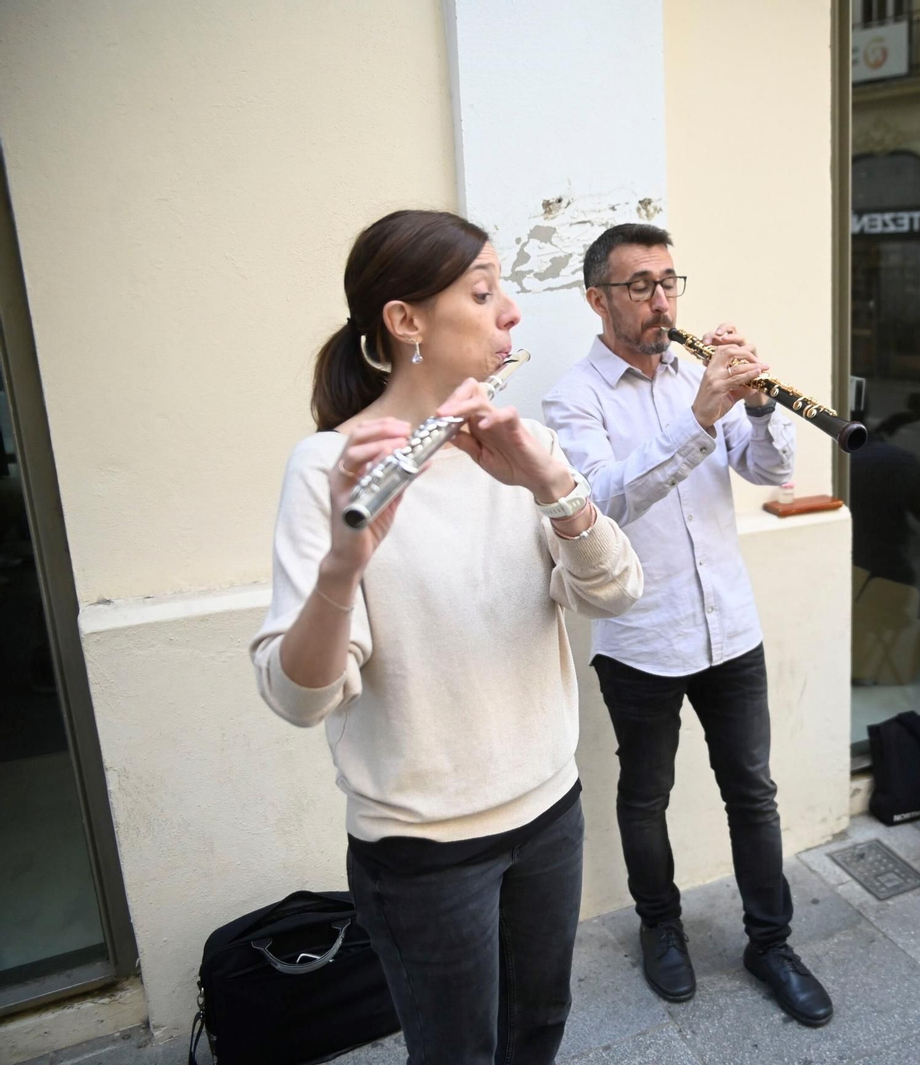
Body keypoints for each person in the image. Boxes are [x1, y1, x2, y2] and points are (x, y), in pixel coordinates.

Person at [249, 209, 643, 1065]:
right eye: (483, 290)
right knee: (456, 1053)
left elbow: (616, 591)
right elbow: (299, 695)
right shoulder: (329, 469)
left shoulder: (519, 442)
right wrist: (341, 570)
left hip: (548, 810)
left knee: (538, 1028)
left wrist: (552, 487)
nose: (510, 311)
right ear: (405, 321)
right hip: (423, 851)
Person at [542, 224, 834, 1027]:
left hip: (730, 630)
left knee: (754, 793)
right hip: (641, 636)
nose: (662, 299)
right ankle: (659, 927)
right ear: (598, 298)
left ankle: (771, 942)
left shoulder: (697, 374)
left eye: (670, 280)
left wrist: (764, 403)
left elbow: (770, 468)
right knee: (645, 798)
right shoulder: (574, 397)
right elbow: (600, 502)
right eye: (640, 284)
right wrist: (699, 419)